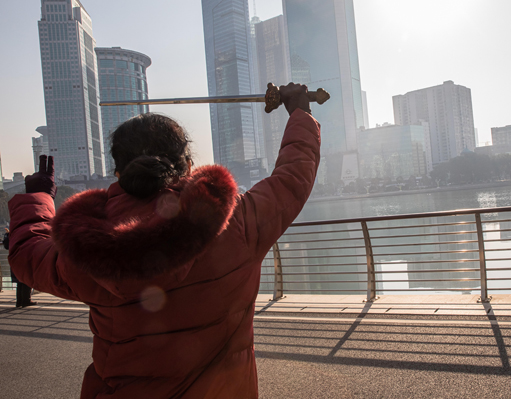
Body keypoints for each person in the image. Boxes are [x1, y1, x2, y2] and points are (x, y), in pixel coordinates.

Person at [7, 83, 320, 398]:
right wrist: (300, 113)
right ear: (187, 165)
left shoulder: (87, 249)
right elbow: (293, 176)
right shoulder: (238, 223)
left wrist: (37, 197)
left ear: (118, 172)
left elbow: (27, 256)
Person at [4, 228, 36, 307]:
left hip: (14, 259)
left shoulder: (11, 235)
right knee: (27, 279)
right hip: (24, 258)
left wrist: (8, 234)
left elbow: (6, 246)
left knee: (19, 281)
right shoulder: (23, 233)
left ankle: (19, 301)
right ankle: (26, 300)